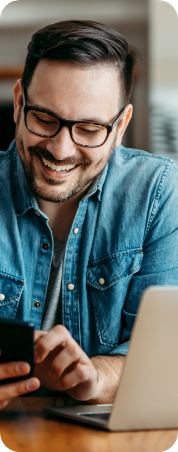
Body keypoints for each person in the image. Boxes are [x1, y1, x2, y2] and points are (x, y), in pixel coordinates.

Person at [0, 19, 178, 410]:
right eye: (44, 119)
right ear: (18, 102)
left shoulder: (159, 194)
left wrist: (95, 377)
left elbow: (167, 357)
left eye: (90, 128)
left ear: (121, 127)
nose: (61, 150)